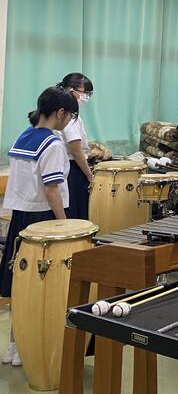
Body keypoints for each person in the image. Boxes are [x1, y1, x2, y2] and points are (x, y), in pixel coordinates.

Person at [1, 86, 76, 366]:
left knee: (20, 284)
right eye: (70, 116)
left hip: (20, 219)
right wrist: (65, 225)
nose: (69, 121)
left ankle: (14, 345)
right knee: (39, 286)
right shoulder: (52, 143)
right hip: (42, 220)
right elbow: (52, 189)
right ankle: (28, 347)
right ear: (60, 113)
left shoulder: (24, 136)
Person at [57, 73, 94, 220]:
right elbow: (76, 151)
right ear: (71, 91)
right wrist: (89, 175)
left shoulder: (63, 112)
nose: (86, 98)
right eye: (85, 93)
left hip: (67, 166)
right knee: (75, 212)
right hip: (72, 169)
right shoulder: (70, 116)